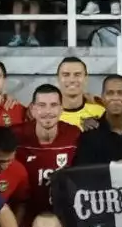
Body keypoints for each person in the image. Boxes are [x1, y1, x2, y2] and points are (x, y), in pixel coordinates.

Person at [15, 84, 82, 219]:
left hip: (63, 216)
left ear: (61, 109)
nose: (48, 111)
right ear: (32, 109)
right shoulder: (16, 135)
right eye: (42, 105)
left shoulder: (74, 134)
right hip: (25, 215)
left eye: (53, 105)